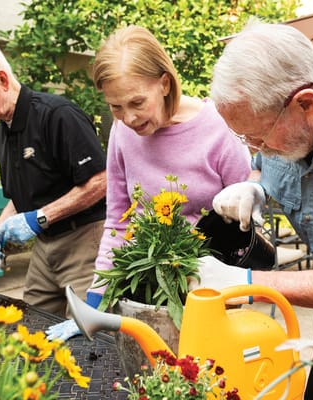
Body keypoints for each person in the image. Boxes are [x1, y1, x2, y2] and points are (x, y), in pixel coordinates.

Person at [45, 25, 252, 340]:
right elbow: (117, 220)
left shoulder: (218, 129)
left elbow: (245, 227)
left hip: (208, 291)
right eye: (116, 106)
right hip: (142, 286)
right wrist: (93, 304)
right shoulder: (122, 131)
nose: (128, 118)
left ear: (164, 84)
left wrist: (235, 291)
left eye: (137, 102)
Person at [187, 19, 313, 399]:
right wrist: (256, 187)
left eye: (257, 136)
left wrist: (253, 285)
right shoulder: (291, 115)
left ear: (307, 104)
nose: (254, 147)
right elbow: (268, 165)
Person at [0, 40, 107, 317]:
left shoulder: (57, 115)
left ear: (2, 79)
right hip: (44, 248)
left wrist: (40, 217)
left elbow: (101, 180)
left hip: (84, 241)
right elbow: (20, 199)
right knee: (28, 321)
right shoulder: (1, 133)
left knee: (88, 332)